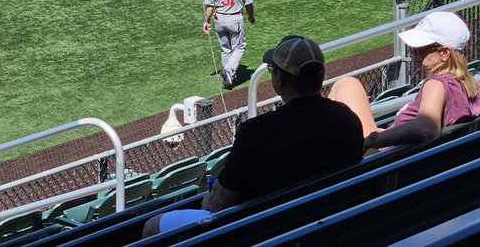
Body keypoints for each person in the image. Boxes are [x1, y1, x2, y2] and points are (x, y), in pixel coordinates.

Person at [142, 35, 364, 237]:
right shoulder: (347, 118)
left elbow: (217, 204)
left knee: (152, 226)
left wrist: (208, 200)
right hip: (333, 225)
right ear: (321, 75)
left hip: (263, 232)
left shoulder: (258, 132)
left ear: (280, 80)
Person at [329, 11, 480, 153]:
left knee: (347, 85)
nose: (413, 54)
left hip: (386, 162)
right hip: (411, 159)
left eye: (419, 50)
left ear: (445, 53)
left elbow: (427, 129)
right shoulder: (472, 85)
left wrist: (373, 140)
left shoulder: (436, 84)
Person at [203, 0, 255, 88]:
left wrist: (206, 21)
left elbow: (209, 6)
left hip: (219, 20)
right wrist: (251, 16)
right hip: (235, 19)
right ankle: (229, 71)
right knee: (239, 47)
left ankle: (229, 79)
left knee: (226, 49)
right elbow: (248, 3)